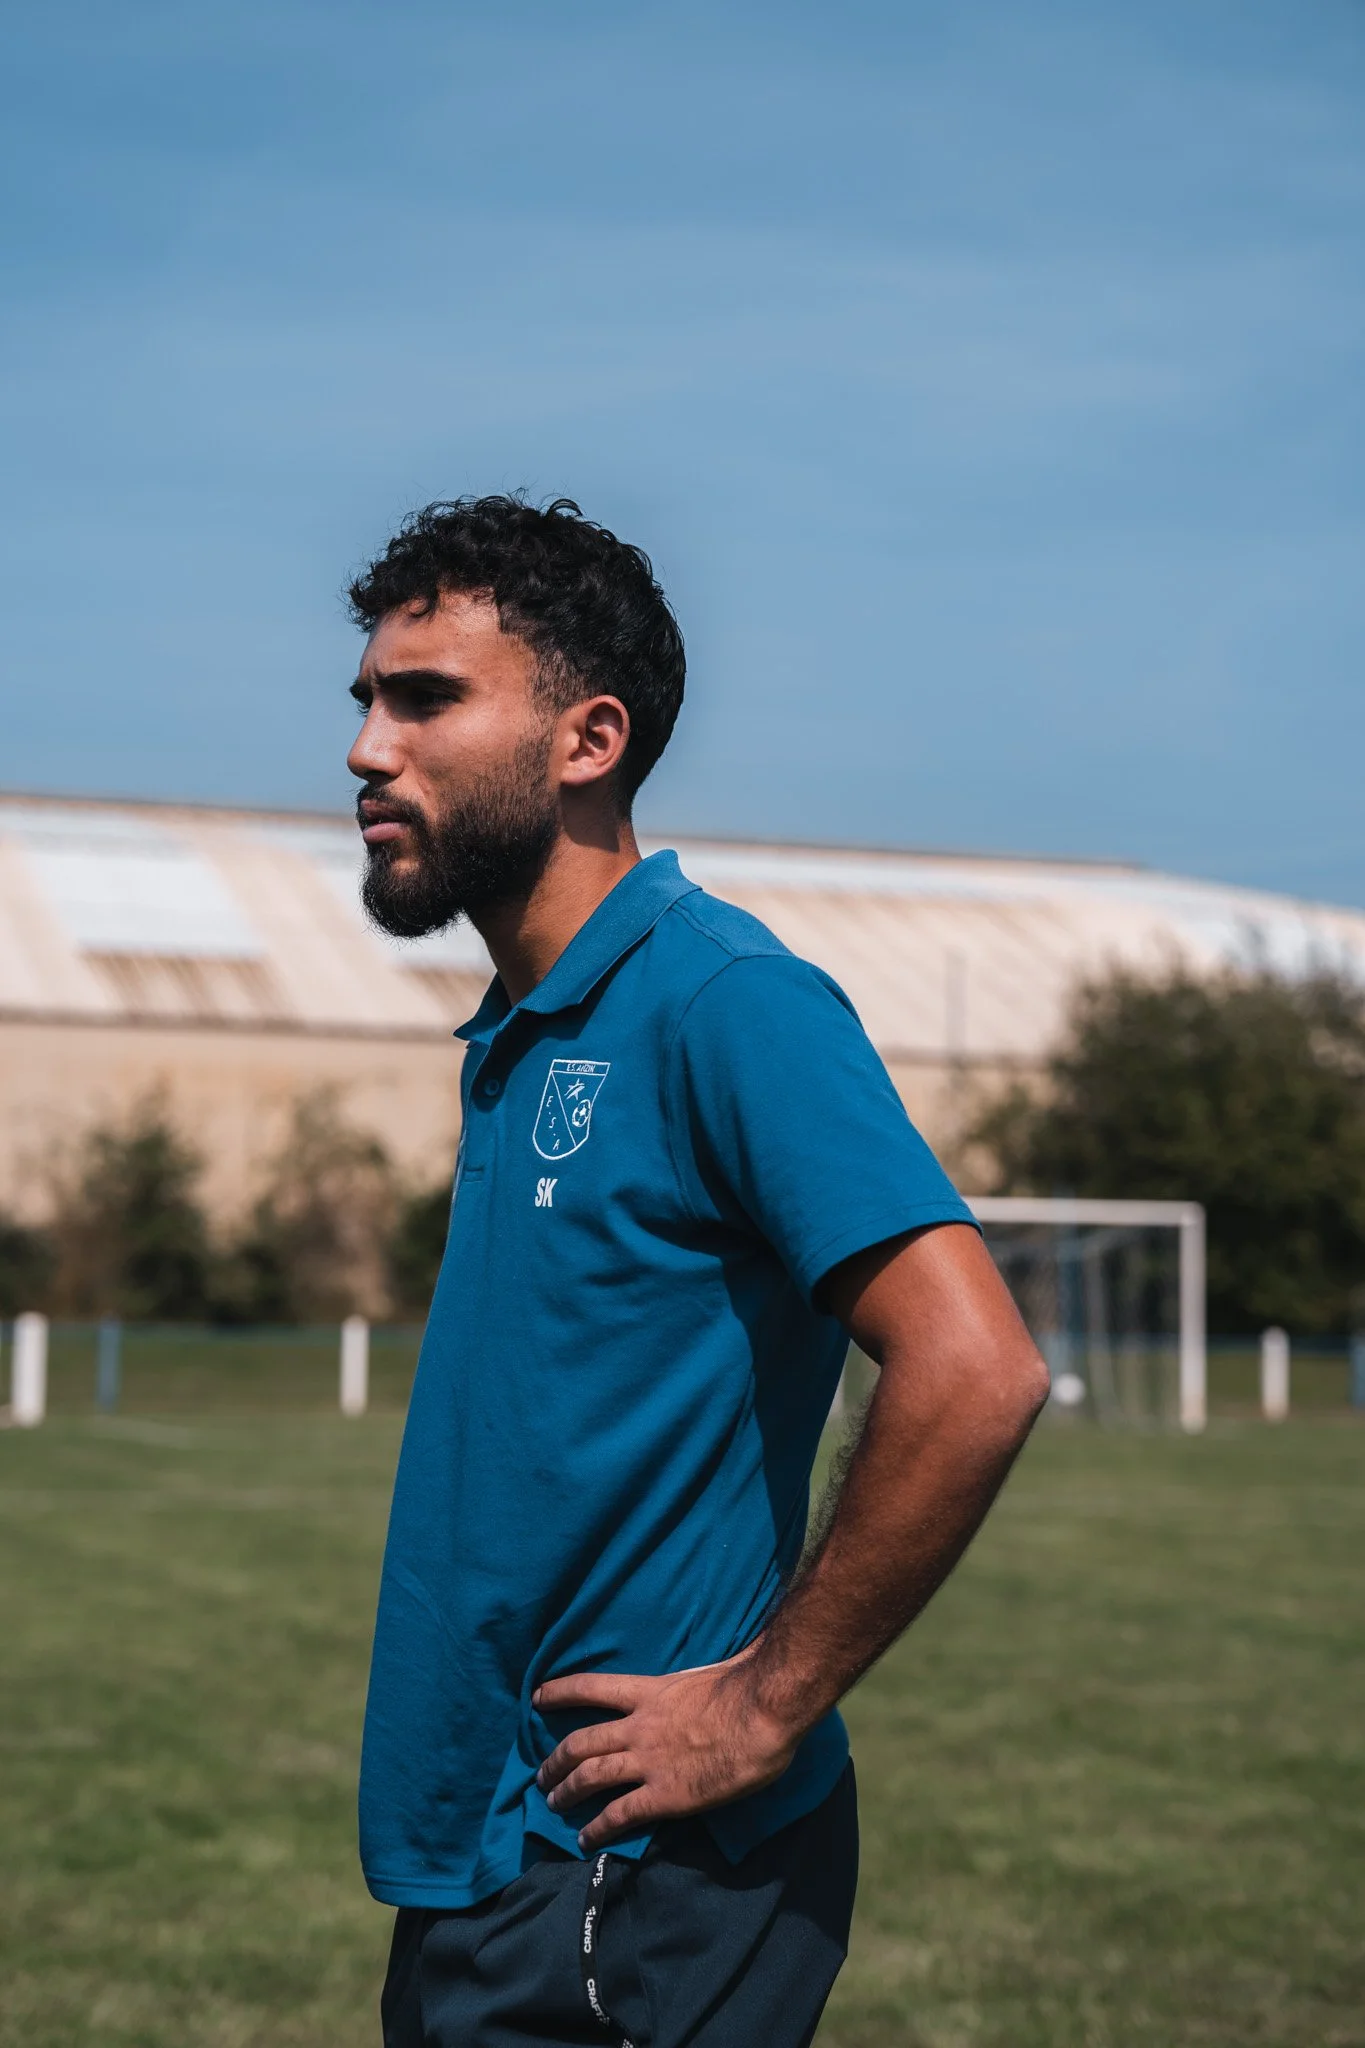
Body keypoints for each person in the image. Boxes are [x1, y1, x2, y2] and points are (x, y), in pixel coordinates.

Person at [346, 495, 1049, 2048]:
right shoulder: (525, 1031)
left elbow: (977, 1365)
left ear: (588, 740)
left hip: (635, 1874)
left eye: (427, 699)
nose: (366, 749)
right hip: (490, 1855)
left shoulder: (726, 1002)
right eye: (368, 700)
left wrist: (762, 1702)